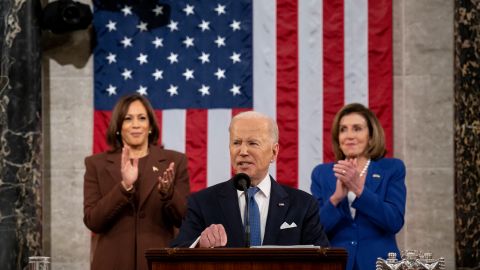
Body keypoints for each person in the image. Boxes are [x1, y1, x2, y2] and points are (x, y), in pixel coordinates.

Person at [171, 111, 329, 248]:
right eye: (236, 143)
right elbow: (177, 252)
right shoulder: (202, 203)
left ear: (274, 152)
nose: (243, 151)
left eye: (253, 143)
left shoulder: (303, 205)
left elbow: (323, 259)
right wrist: (200, 245)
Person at [83, 94, 190, 270]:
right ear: (118, 127)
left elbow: (185, 220)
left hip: (158, 263)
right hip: (112, 263)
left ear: (150, 125)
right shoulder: (96, 164)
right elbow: (93, 221)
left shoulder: (174, 161)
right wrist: (124, 187)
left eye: (142, 118)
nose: (135, 125)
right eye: (128, 119)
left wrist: (168, 193)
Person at [310, 103, 406, 270]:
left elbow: (394, 221)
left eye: (357, 128)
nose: (349, 136)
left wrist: (361, 192)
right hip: (336, 264)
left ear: (371, 136)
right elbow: (313, 232)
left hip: (378, 264)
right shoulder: (322, 174)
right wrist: (335, 199)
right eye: (343, 129)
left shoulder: (391, 169)